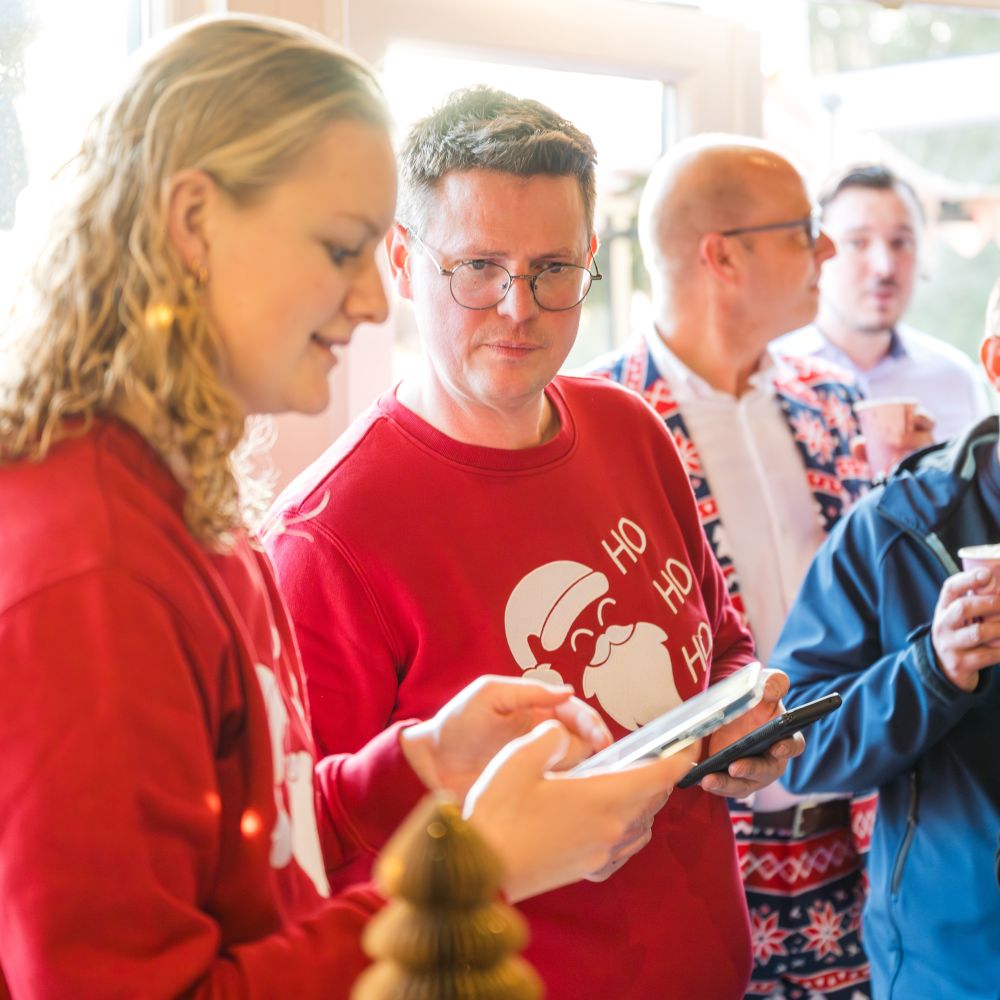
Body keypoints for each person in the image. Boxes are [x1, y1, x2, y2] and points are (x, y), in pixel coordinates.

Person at [0, 17, 697, 999]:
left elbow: (258, 845)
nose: (375, 302)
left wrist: (411, 764)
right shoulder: (90, 558)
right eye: (341, 248)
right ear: (193, 224)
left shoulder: (179, 496)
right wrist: (478, 867)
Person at [265, 86, 803, 1000]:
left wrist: (739, 720)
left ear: (593, 259)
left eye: (553, 269)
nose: (519, 308)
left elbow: (718, 640)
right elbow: (312, 854)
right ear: (402, 261)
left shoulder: (630, 426)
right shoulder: (328, 534)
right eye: (477, 266)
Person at [584, 135, 874, 1000]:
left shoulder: (839, 399)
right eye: (805, 230)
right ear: (722, 256)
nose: (829, 250)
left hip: (859, 843)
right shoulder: (598, 425)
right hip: (698, 856)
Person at [770, 279, 1000, 999]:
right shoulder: (900, 525)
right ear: (996, 361)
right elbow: (794, 744)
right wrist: (933, 671)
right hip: (958, 961)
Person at [777, 164, 992, 443]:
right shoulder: (771, 376)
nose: (884, 267)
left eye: (901, 242)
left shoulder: (955, 379)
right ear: (820, 251)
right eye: (857, 243)